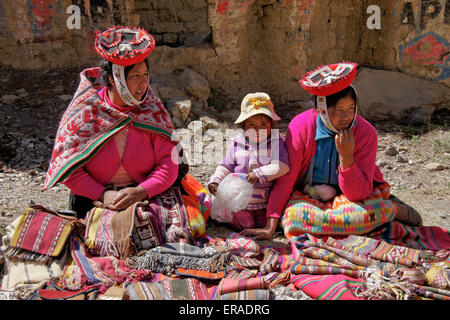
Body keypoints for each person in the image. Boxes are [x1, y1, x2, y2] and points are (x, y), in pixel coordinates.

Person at [43, 26, 209, 251]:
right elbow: (69, 168)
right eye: (135, 77)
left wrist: (142, 191)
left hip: (146, 193)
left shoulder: (151, 110)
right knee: (95, 242)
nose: (143, 85)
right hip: (95, 196)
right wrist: (103, 194)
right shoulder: (86, 111)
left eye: (146, 76)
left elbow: (169, 164)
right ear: (115, 79)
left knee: (165, 234)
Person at [241, 62, 422, 240]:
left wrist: (346, 159)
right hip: (307, 194)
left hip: (354, 197)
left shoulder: (366, 133)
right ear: (322, 109)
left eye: (351, 109)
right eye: (338, 110)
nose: (346, 117)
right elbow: (286, 178)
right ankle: (376, 217)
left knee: (363, 215)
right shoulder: (301, 127)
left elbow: (357, 194)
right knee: (293, 221)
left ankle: (393, 209)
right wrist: (270, 225)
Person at [207, 92, 289, 231]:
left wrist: (259, 173)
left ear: (272, 125)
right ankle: (228, 215)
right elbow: (225, 166)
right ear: (243, 126)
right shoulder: (237, 144)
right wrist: (215, 181)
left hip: (264, 201)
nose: (257, 129)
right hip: (240, 202)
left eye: (263, 124)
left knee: (268, 225)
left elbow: (282, 167)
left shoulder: (276, 143)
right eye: (251, 124)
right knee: (246, 224)